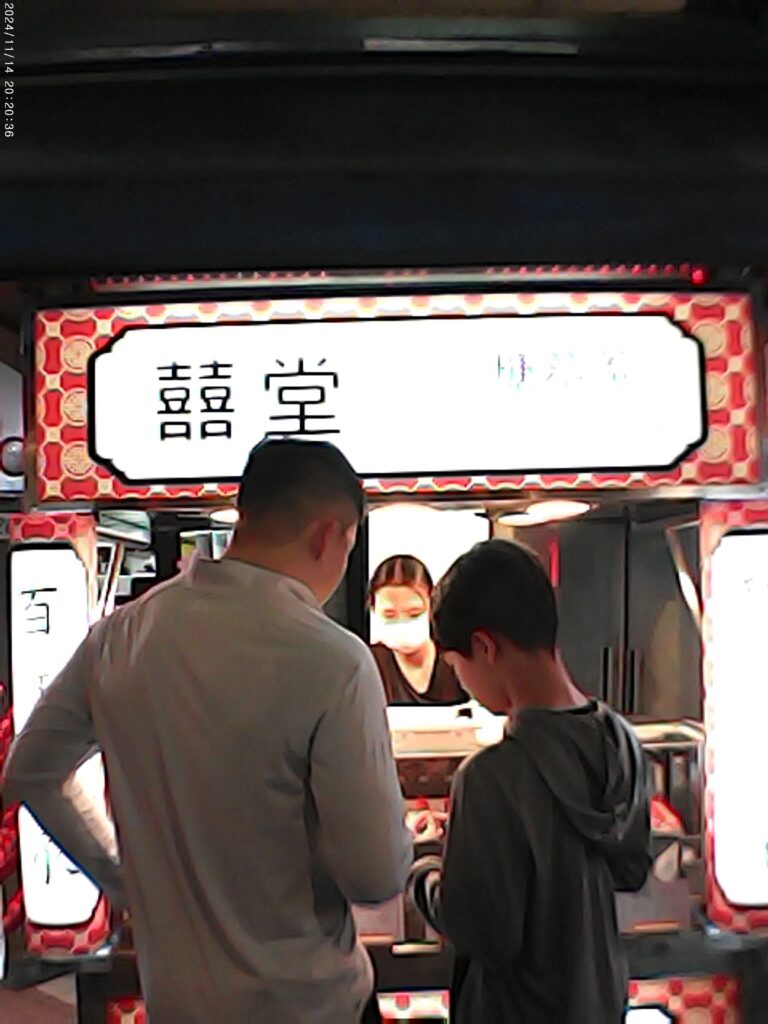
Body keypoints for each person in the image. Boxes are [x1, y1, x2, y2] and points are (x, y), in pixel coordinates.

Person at [3, 438, 412, 1024]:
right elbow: (374, 875)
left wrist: (122, 879)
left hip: (176, 1002)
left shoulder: (121, 636)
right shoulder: (334, 660)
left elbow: (31, 770)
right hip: (310, 1004)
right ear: (330, 536)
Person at [408, 539, 652, 1023]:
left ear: (484, 647)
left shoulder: (489, 777)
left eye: (459, 667)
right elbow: (631, 872)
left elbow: (485, 935)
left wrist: (423, 876)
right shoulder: (621, 739)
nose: (464, 685)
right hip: (599, 1003)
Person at [368, 555, 466, 705]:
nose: (402, 622)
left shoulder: (455, 660)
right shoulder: (369, 664)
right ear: (374, 610)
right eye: (390, 615)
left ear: (431, 604)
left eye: (414, 613)